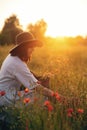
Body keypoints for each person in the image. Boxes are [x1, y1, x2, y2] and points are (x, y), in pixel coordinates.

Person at [0, 31, 53, 107]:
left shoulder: (13, 58)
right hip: (6, 99)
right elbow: (37, 87)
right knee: (42, 96)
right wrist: (62, 98)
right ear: (23, 48)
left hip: (6, 94)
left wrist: (40, 77)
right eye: (31, 46)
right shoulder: (16, 63)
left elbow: (26, 72)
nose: (33, 49)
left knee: (38, 90)